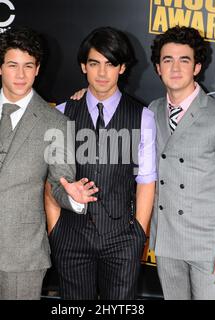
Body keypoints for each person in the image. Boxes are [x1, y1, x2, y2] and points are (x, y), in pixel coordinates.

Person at [0, 26, 97, 300]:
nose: (21, 74)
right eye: (13, 65)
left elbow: (58, 183)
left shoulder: (56, 123)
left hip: (23, 254)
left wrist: (73, 198)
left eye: (29, 66)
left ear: (38, 69)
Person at [45, 26, 156, 299]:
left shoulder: (142, 117)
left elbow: (146, 181)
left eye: (110, 64)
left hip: (122, 240)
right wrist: (55, 229)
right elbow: (50, 179)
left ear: (122, 68)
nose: (102, 73)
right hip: (70, 237)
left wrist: (138, 236)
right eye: (95, 63)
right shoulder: (61, 113)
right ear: (84, 67)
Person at [148, 25, 215, 300]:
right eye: (167, 60)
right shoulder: (152, 110)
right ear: (158, 67)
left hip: (211, 246)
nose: (176, 67)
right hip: (166, 241)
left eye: (185, 60)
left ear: (197, 67)